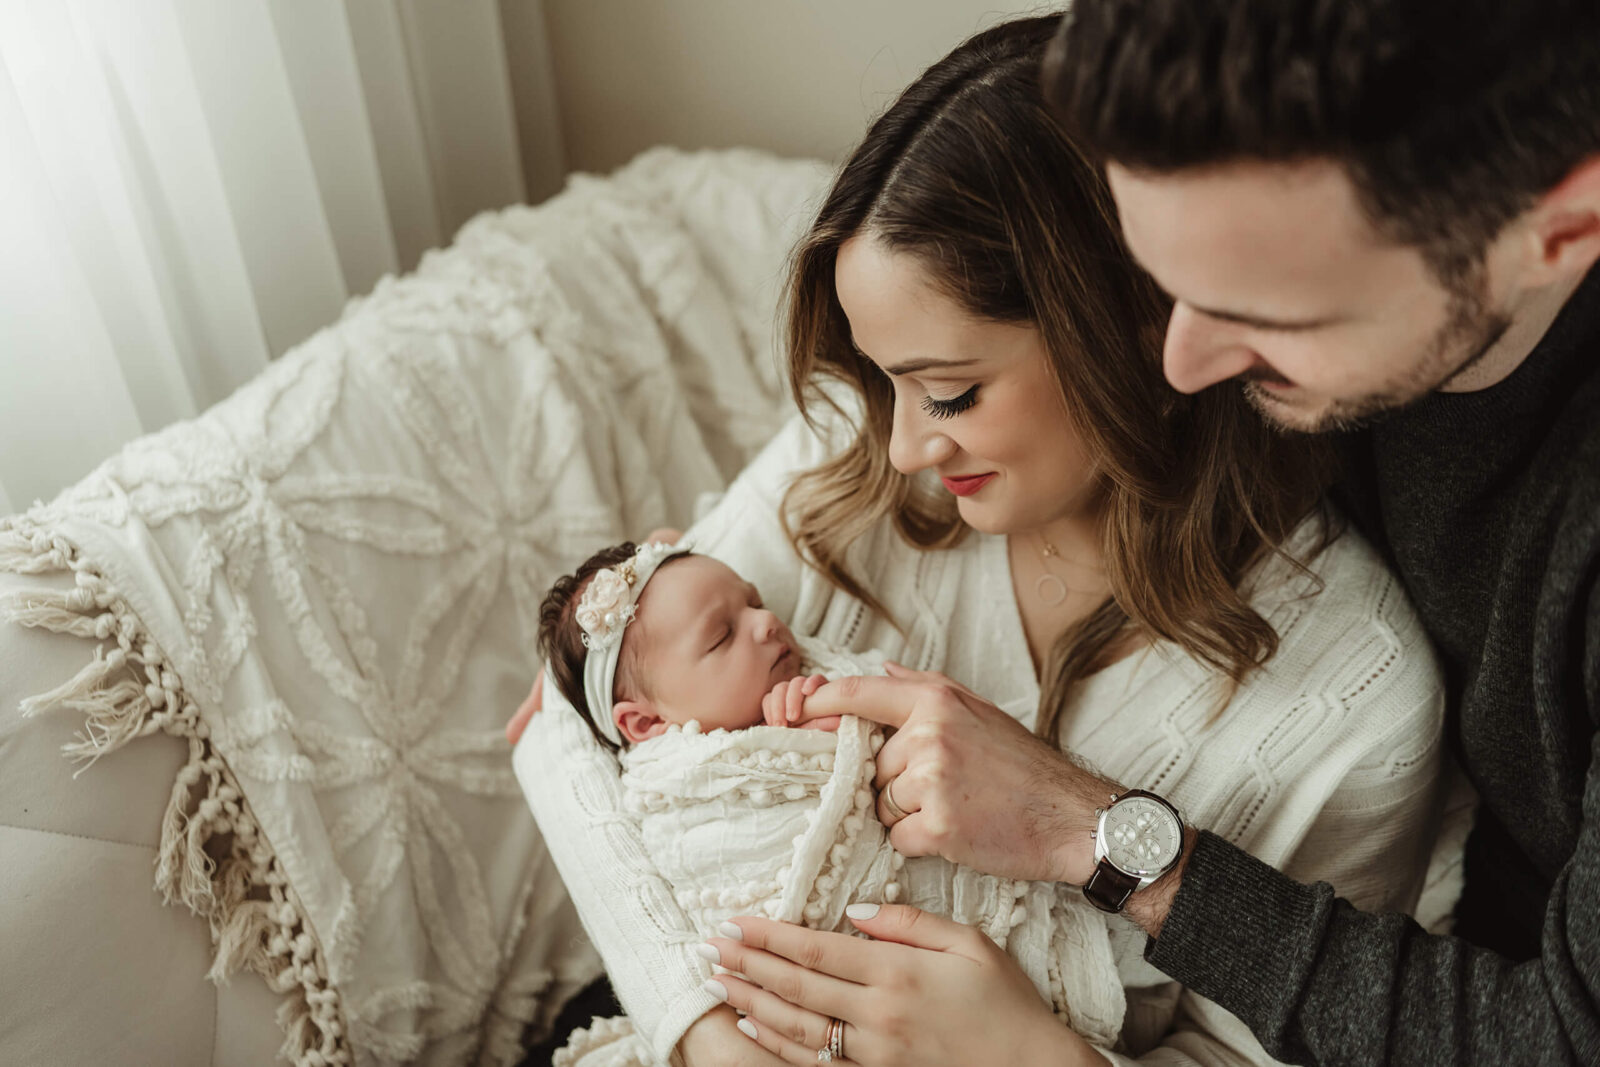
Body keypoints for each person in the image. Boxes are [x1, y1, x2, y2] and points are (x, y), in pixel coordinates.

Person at [510, 16, 1447, 1067]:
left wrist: (1021, 1050)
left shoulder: (1356, 694)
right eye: (885, 380)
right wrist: (704, 1035)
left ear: (1133, 326)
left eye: (950, 389)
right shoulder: (849, 463)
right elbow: (571, 718)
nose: (906, 440)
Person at [701, 4, 1600, 1066]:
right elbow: (582, 717)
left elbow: (1560, 1037)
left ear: (1558, 230)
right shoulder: (1338, 284)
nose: (1178, 365)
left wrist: (1092, 836)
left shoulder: (1360, 654)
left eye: (1260, 308)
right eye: (1163, 284)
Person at [533, 540, 1128, 1064]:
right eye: (722, 635)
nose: (766, 623)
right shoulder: (674, 783)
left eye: (755, 601)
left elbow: (915, 740)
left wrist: (843, 723)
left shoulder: (806, 682)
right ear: (644, 724)